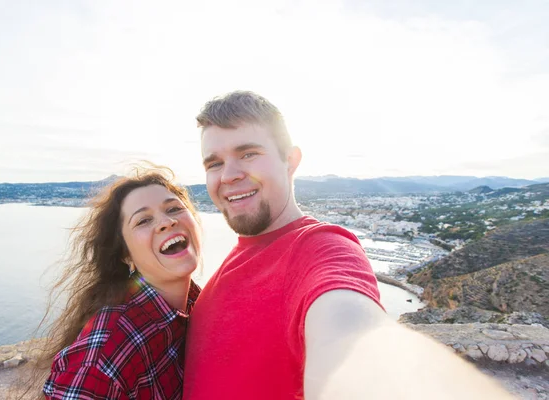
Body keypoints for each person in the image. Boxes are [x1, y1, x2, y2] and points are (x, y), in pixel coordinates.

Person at [183, 91, 511, 399]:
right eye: (214, 163)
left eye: (248, 153)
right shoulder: (239, 256)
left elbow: (352, 340)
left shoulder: (319, 248)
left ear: (291, 161)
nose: (228, 175)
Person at [31, 166, 202, 400]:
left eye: (173, 208)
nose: (166, 222)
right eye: (143, 221)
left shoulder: (198, 304)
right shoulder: (106, 349)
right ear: (125, 254)